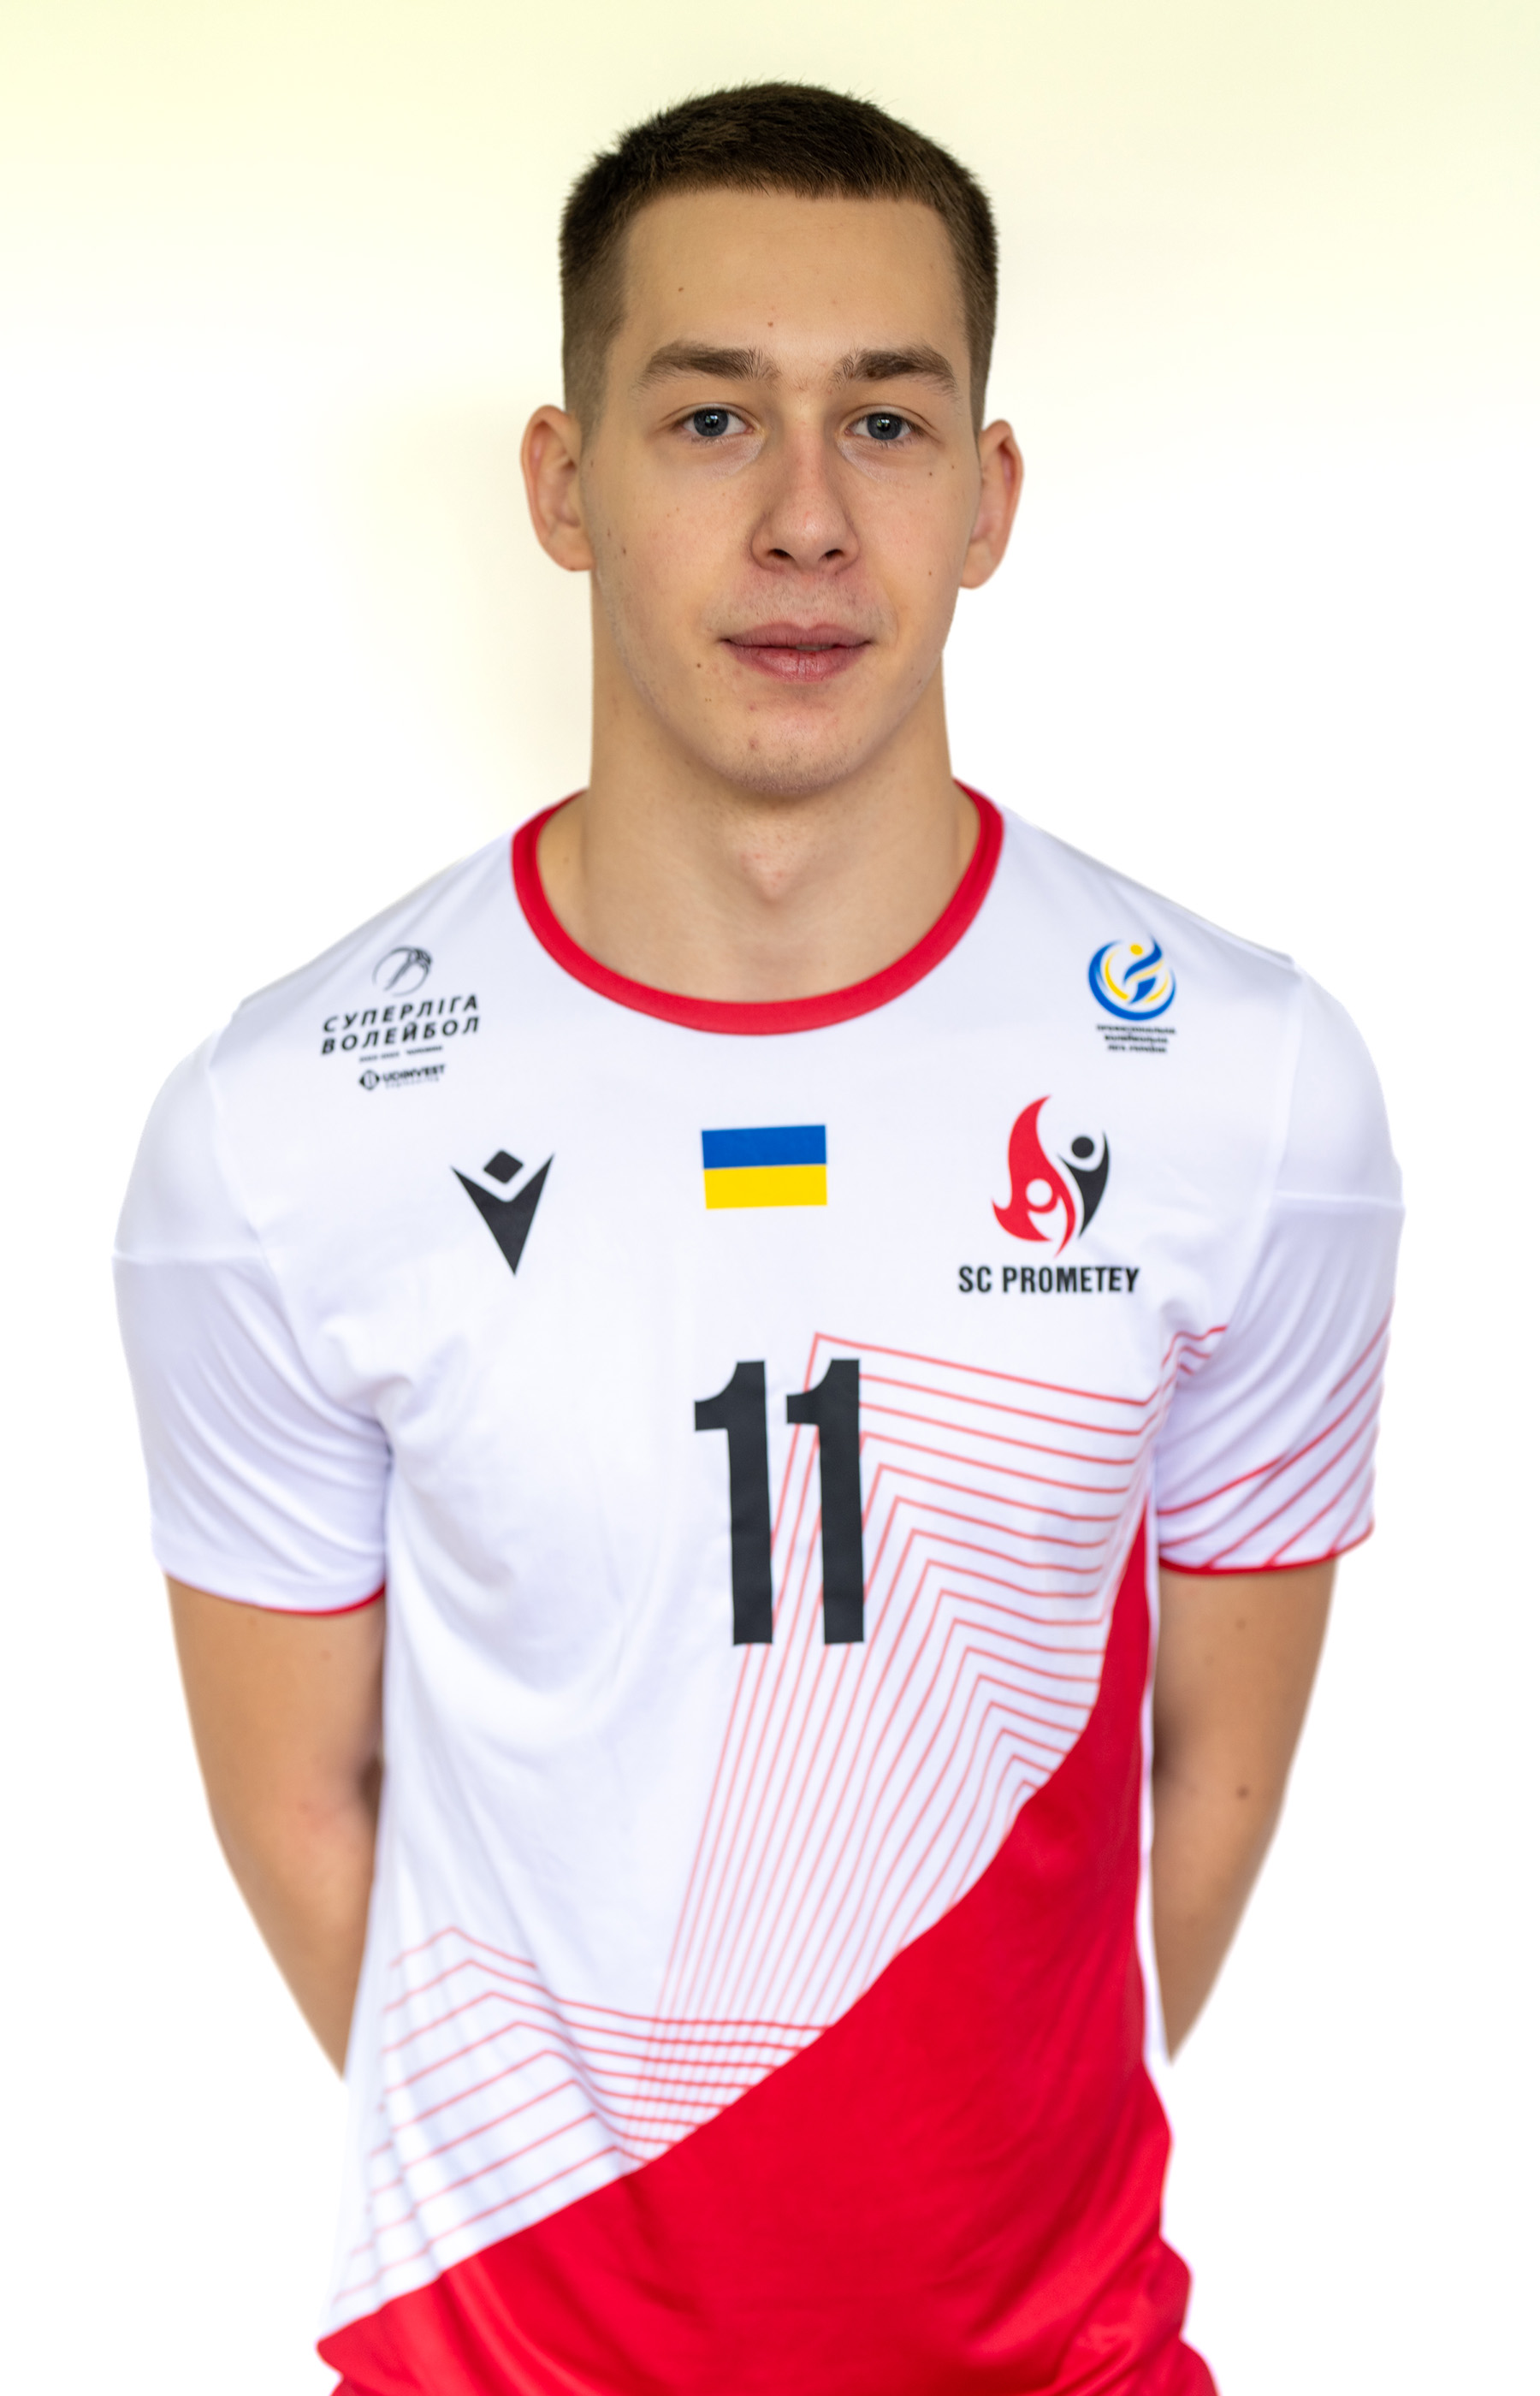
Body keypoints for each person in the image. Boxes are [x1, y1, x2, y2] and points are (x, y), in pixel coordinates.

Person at [115, 82, 1402, 2396]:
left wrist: (960, 2194)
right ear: (563, 482)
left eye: (885, 422)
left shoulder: (1249, 1092)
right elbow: (306, 1809)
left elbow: (1200, 1787)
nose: (806, 516)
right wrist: (610, 2238)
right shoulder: (282, 1130)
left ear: (989, 496)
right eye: (711, 415)